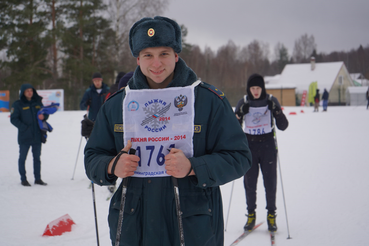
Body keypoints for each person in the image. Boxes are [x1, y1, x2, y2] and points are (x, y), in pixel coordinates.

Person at [84, 16, 251, 246]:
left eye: (163, 53)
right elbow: (93, 157)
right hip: (134, 225)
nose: (156, 64)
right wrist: (113, 165)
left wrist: (194, 167)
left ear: (176, 55)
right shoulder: (116, 104)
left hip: (192, 227)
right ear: (137, 59)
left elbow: (239, 157)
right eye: (148, 55)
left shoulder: (207, 100)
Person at [235, 74, 289, 232]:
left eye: (258, 88)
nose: (255, 91)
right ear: (248, 89)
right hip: (250, 146)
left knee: (270, 183)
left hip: (268, 146)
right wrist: (239, 115)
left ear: (263, 88)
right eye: (252, 88)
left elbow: (284, 126)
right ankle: (251, 214)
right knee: (249, 184)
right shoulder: (243, 102)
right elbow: (233, 128)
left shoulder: (270, 100)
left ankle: (271, 215)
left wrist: (277, 112)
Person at [10, 84, 49, 186]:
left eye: (31, 90)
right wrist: (24, 128)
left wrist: (43, 116)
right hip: (24, 137)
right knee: (22, 158)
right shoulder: (18, 104)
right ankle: (23, 179)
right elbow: (13, 119)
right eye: (27, 91)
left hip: (37, 136)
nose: (29, 92)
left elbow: (45, 113)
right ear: (23, 92)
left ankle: (38, 179)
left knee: (37, 158)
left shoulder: (37, 102)